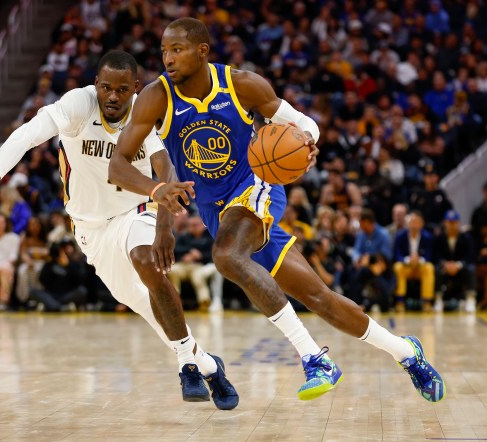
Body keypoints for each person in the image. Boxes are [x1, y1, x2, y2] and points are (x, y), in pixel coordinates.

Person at [109, 17, 444, 402]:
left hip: (256, 188)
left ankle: (314, 358)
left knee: (226, 257)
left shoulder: (242, 84)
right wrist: (157, 194)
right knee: (320, 298)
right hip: (216, 210)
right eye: (164, 50)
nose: (167, 58)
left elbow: (305, 125)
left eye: (177, 49)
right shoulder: (157, 96)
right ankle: (407, 353)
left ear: (202, 51)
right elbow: (118, 165)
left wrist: (307, 143)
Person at [0, 50, 238, 409]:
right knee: (140, 302)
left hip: (134, 209)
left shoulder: (145, 111)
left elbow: (165, 169)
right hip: (89, 229)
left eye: (122, 90)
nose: (112, 96)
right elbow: (27, 135)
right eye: (106, 87)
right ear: (96, 84)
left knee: (145, 260)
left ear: (135, 89)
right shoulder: (78, 104)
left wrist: (164, 227)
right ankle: (205, 363)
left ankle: (186, 364)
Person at [433, 210, 476, 313]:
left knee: (471, 269)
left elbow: (470, 256)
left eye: (454, 222)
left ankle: (470, 299)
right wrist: (445, 264)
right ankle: (438, 299)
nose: (452, 225)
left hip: (460, 267)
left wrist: (458, 264)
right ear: (445, 223)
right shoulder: (439, 238)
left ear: (459, 223)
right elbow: (436, 256)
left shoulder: (466, 238)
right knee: (437, 270)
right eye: (449, 222)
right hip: (445, 267)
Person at [392, 211, 435, 313]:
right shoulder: (400, 236)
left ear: (422, 224)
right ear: (407, 223)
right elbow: (397, 254)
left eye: (417, 222)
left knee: (429, 268)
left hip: (420, 266)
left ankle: (427, 302)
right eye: (412, 222)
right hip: (406, 266)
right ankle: (400, 301)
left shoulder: (428, 237)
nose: (414, 225)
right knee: (397, 267)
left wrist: (419, 260)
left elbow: (430, 255)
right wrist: (408, 259)